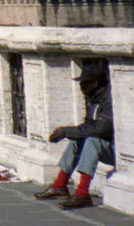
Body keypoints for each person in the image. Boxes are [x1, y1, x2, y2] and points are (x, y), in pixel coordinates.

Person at [33, 60, 114, 210]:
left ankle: (82, 193)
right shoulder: (93, 98)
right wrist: (69, 132)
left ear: (95, 83)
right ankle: (60, 185)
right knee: (78, 138)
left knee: (92, 141)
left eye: (84, 83)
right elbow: (88, 125)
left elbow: (102, 129)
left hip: (114, 149)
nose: (81, 87)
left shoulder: (108, 99)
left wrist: (68, 131)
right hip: (105, 144)